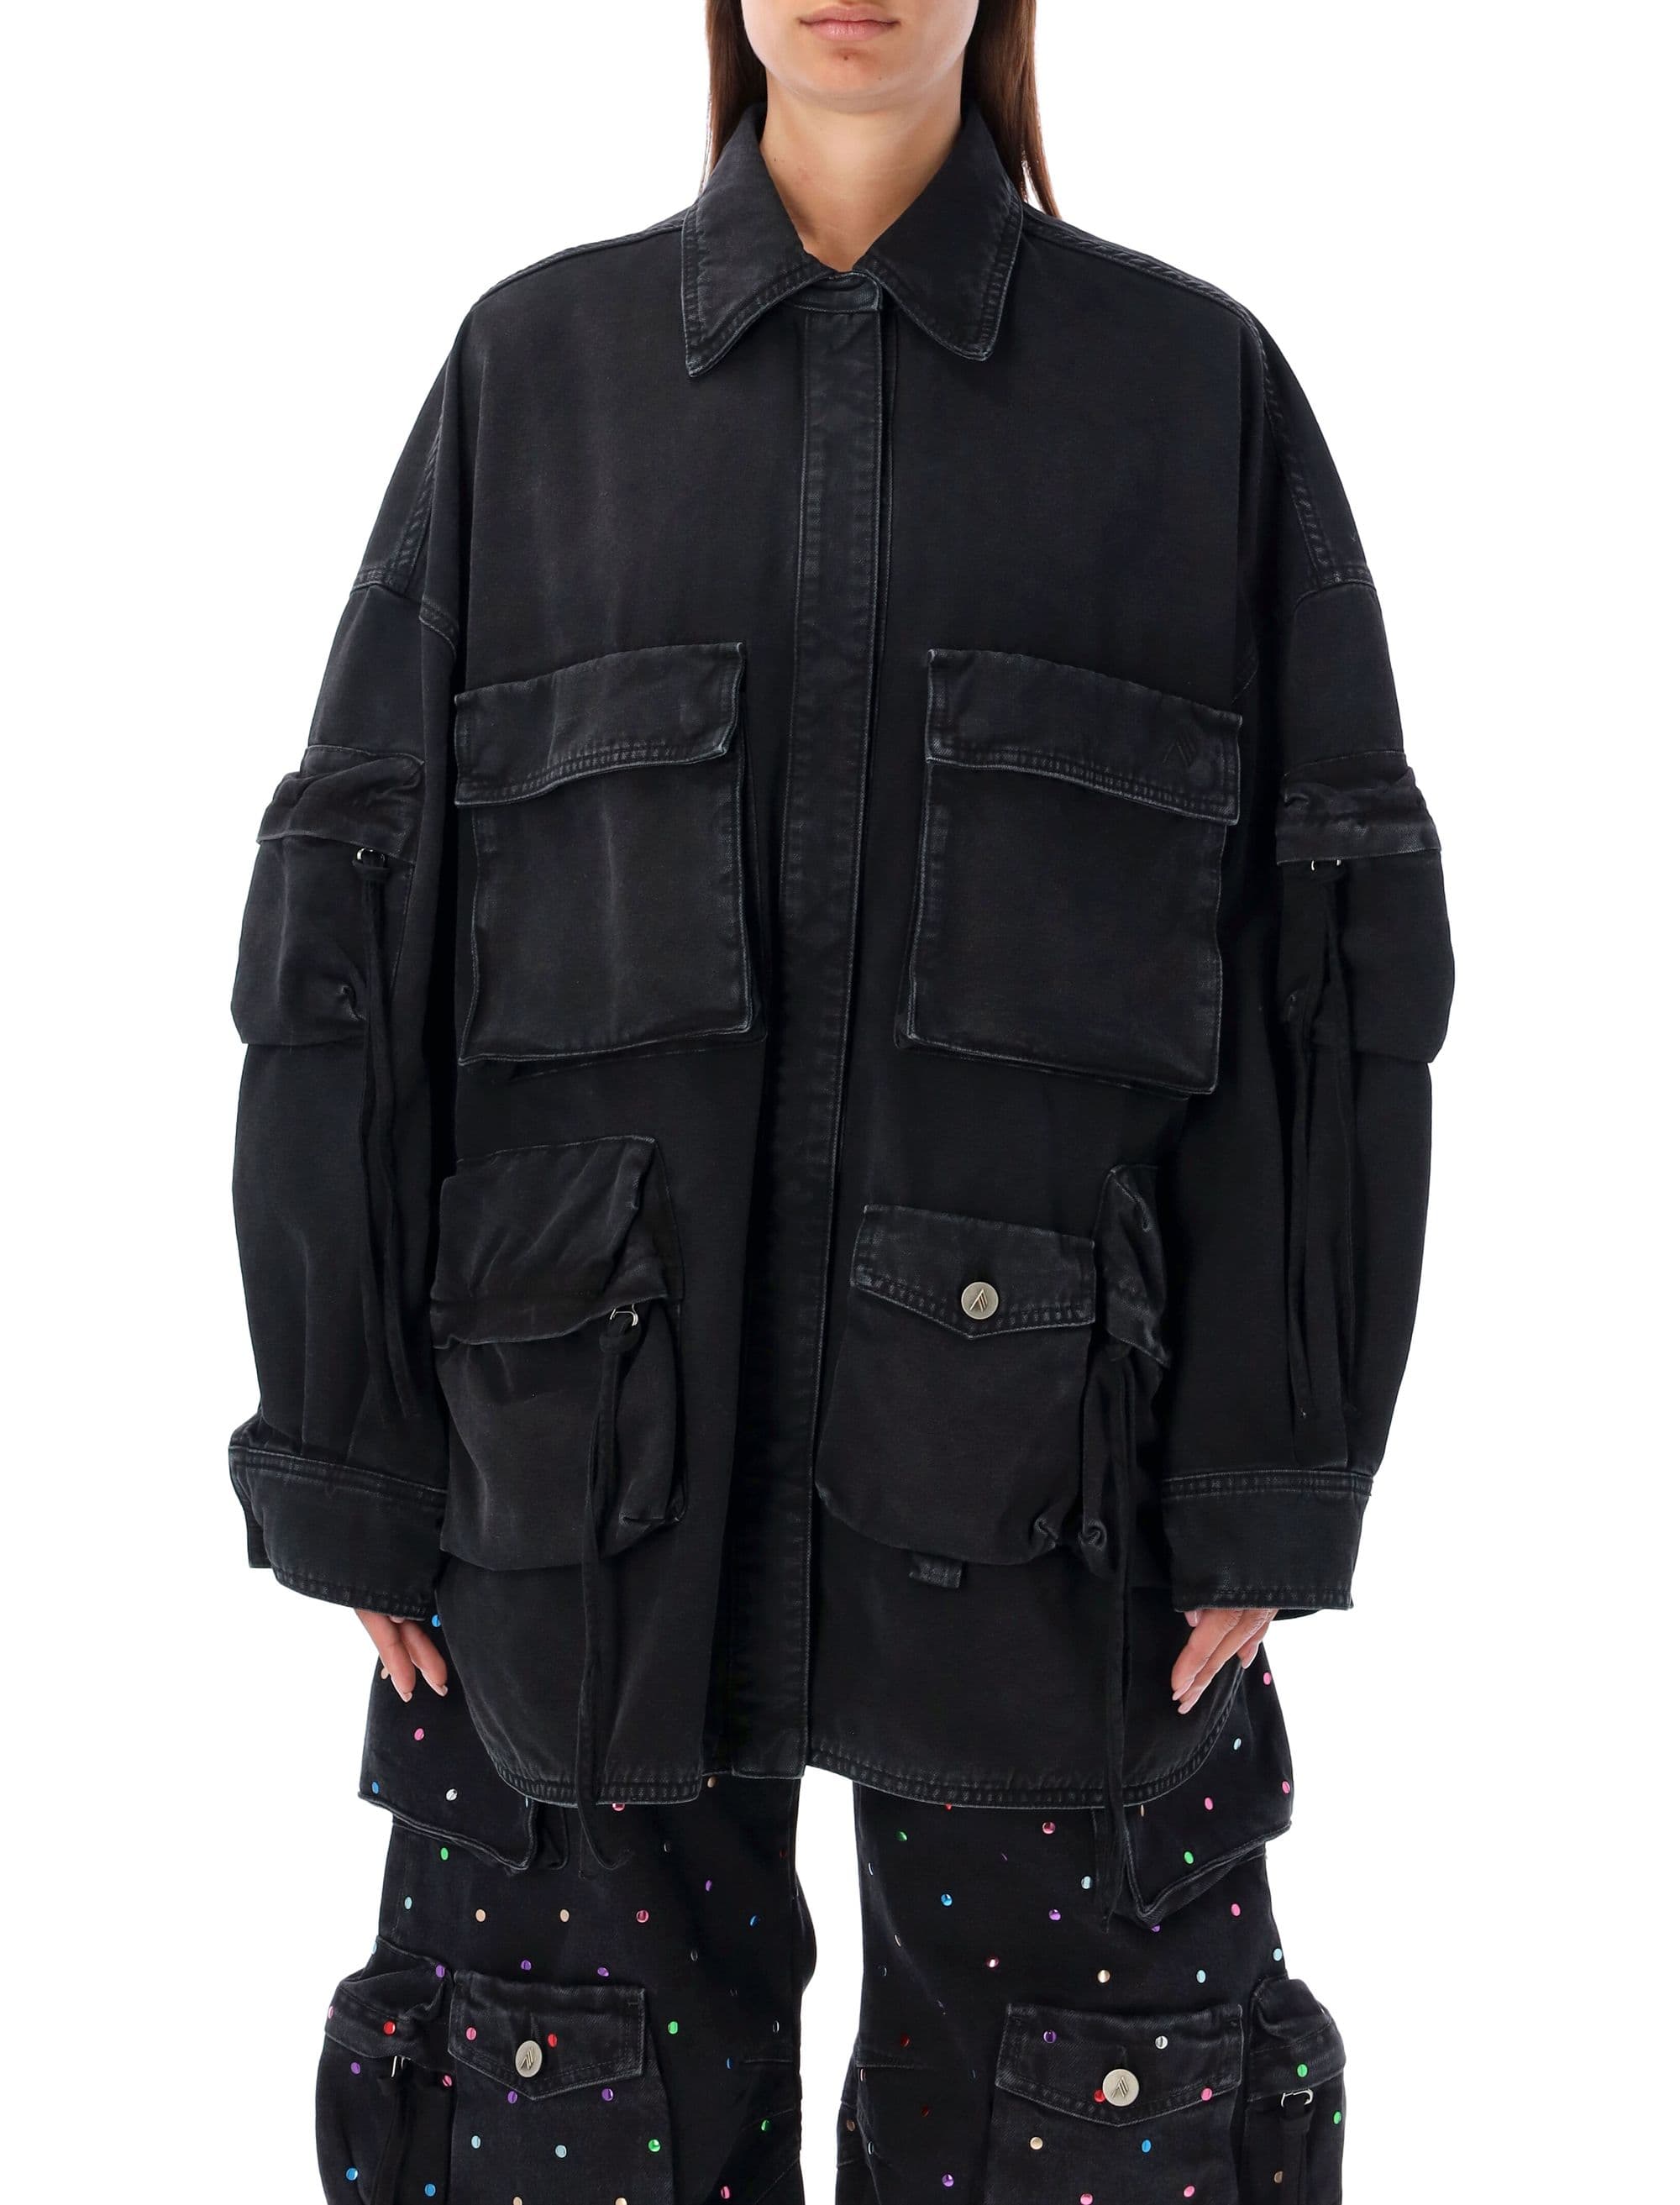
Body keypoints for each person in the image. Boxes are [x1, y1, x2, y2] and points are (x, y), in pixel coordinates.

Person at [226, 3, 1452, 2197]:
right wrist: (347, 1453)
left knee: (1082, 2124)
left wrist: (1276, 1470)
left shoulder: (1193, 400)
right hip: (573, 1516)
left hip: (1063, 1520)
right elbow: (351, 928)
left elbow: (1332, 961)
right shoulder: (535, 382)